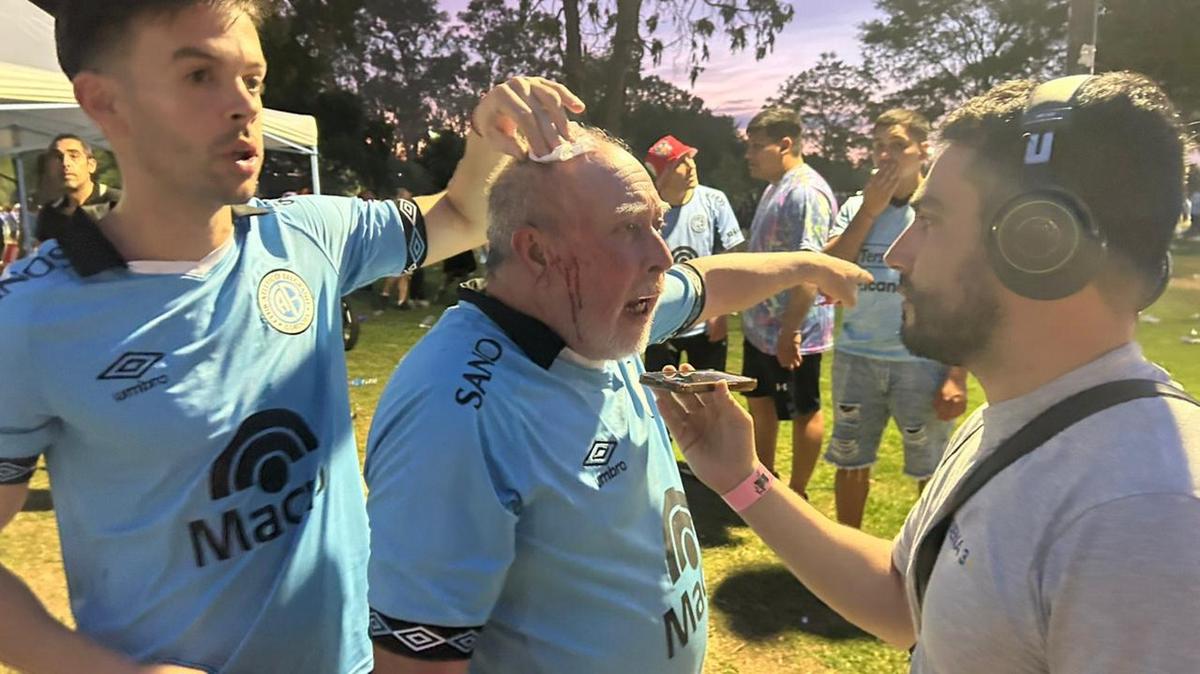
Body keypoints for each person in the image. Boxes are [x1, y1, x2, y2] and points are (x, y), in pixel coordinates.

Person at [0, 1, 583, 672]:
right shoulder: (31, 315)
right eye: (199, 76)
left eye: (253, 79)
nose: (243, 106)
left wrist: (485, 140)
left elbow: (460, 216)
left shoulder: (305, 234)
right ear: (104, 103)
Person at [652, 72, 1200, 673]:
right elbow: (904, 602)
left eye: (932, 221)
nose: (896, 254)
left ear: (1040, 245)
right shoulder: (1021, 418)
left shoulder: (1147, 517)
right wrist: (743, 479)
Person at [363, 125, 871, 674]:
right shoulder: (454, 414)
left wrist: (808, 265)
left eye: (656, 224)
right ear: (537, 251)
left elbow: (706, 283)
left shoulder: (593, 315)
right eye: (629, 228)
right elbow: (413, 664)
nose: (660, 254)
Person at [821, 109, 967, 528]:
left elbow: (962, 291)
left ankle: (929, 561)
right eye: (878, 145)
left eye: (898, 145)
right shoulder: (858, 206)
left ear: (924, 150)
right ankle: (849, 552)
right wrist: (869, 211)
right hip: (857, 358)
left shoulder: (942, 210)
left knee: (932, 469)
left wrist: (957, 374)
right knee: (850, 460)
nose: (885, 155)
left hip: (923, 361)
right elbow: (828, 272)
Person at [741, 106, 841, 497]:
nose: (749, 155)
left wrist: (791, 330)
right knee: (760, 400)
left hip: (794, 332)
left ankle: (796, 493)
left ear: (785, 144)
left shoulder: (805, 192)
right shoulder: (775, 186)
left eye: (755, 147)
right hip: (759, 327)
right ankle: (764, 483)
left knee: (804, 410)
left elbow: (811, 266)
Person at [641, 134, 744, 373]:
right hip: (662, 321)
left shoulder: (714, 201)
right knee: (662, 399)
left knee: (709, 396)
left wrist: (722, 312)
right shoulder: (648, 209)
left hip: (706, 318)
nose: (691, 167)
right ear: (663, 176)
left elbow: (729, 258)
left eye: (690, 159)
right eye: (680, 163)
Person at [34, 134, 122, 245]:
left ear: (91, 165)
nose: (65, 163)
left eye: (74, 156)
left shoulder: (118, 203)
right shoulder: (49, 214)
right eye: (57, 157)